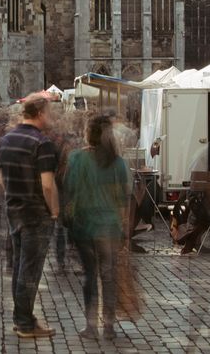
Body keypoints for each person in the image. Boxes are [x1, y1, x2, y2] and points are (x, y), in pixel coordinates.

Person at [0, 93, 60, 339]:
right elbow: (47, 185)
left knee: (20, 268)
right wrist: (54, 209)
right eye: (50, 112)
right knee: (30, 270)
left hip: (14, 209)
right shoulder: (42, 143)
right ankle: (25, 323)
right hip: (35, 213)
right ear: (40, 113)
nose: (52, 117)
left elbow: (1, 177)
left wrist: (15, 195)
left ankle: (21, 317)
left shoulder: (6, 139)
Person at [63, 114, 131, 341]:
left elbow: (69, 190)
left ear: (87, 134)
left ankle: (91, 325)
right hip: (110, 227)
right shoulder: (118, 163)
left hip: (84, 226)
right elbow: (124, 199)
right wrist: (125, 230)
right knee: (109, 276)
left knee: (90, 275)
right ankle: (109, 326)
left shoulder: (76, 159)